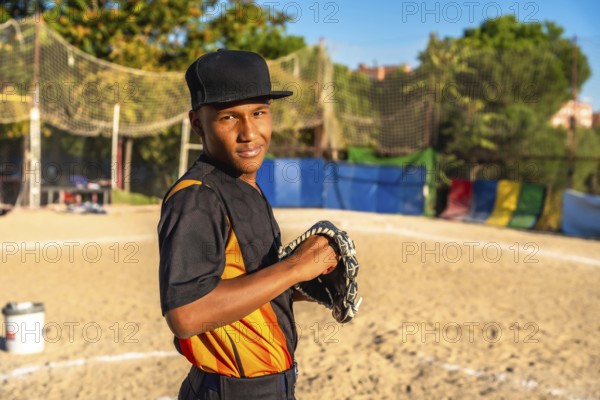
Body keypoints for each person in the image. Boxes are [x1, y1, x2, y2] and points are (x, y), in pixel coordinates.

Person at [158, 49, 339, 400]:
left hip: (271, 386)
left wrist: (307, 285)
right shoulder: (197, 196)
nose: (249, 132)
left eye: (259, 113)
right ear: (198, 123)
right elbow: (187, 313)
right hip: (232, 390)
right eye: (228, 117)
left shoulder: (243, 185)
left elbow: (240, 286)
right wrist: (294, 267)